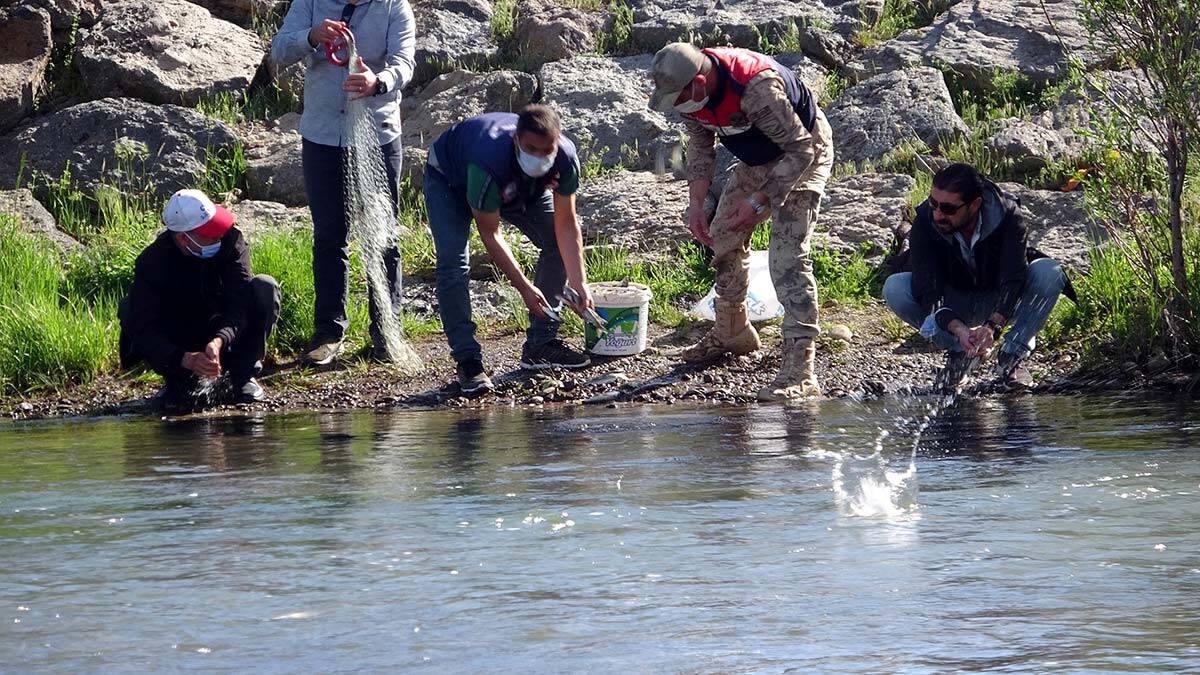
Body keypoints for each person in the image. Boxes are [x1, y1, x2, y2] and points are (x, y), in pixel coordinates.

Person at [648, 42, 835, 402]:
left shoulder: (757, 90)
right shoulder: (689, 97)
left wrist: (759, 200)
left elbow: (801, 150)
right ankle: (732, 331)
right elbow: (701, 147)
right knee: (723, 233)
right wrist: (696, 203)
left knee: (787, 257)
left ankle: (800, 370)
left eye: (679, 98)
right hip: (759, 157)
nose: (677, 107)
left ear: (700, 83)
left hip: (804, 152)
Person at [269, 0, 416, 365]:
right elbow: (279, 49)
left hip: (378, 135)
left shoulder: (395, 7)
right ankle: (329, 333)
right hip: (321, 133)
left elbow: (405, 64)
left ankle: (386, 331)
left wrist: (376, 81)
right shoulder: (310, 2)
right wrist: (310, 36)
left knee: (383, 236)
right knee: (330, 235)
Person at [424, 105, 594, 394]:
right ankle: (468, 361)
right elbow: (490, 234)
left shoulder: (565, 158)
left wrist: (579, 284)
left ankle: (541, 344)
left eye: (546, 150)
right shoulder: (488, 161)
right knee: (454, 263)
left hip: (518, 187)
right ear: (517, 140)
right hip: (450, 179)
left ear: (557, 141)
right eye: (532, 148)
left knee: (554, 241)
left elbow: (566, 224)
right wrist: (525, 288)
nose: (540, 156)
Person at [882, 162, 1069, 392]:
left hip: (1001, 299)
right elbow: (927, 289)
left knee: (1049, 272)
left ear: (975, 205)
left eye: (949, 209)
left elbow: (1014, 277)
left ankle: (1012, 356)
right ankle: (961, 353)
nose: (938, 214)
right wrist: (959, 330)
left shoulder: (1008, 214)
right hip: (954, 302)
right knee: (894, 288)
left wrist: (992, 328)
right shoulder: (926, 220)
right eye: (934, 204)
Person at [119, 190, 281, 411]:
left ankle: (243, 376)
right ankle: (178, 381)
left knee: (265, 287)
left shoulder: (231, 239)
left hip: (227, 329)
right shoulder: (153, 262)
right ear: (183, 238)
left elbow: (241, 303)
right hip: (183, 336)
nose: (219, 236)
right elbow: (143, 328)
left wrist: (219, 340)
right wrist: (183, 359)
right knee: (128, 308)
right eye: (209, 233)